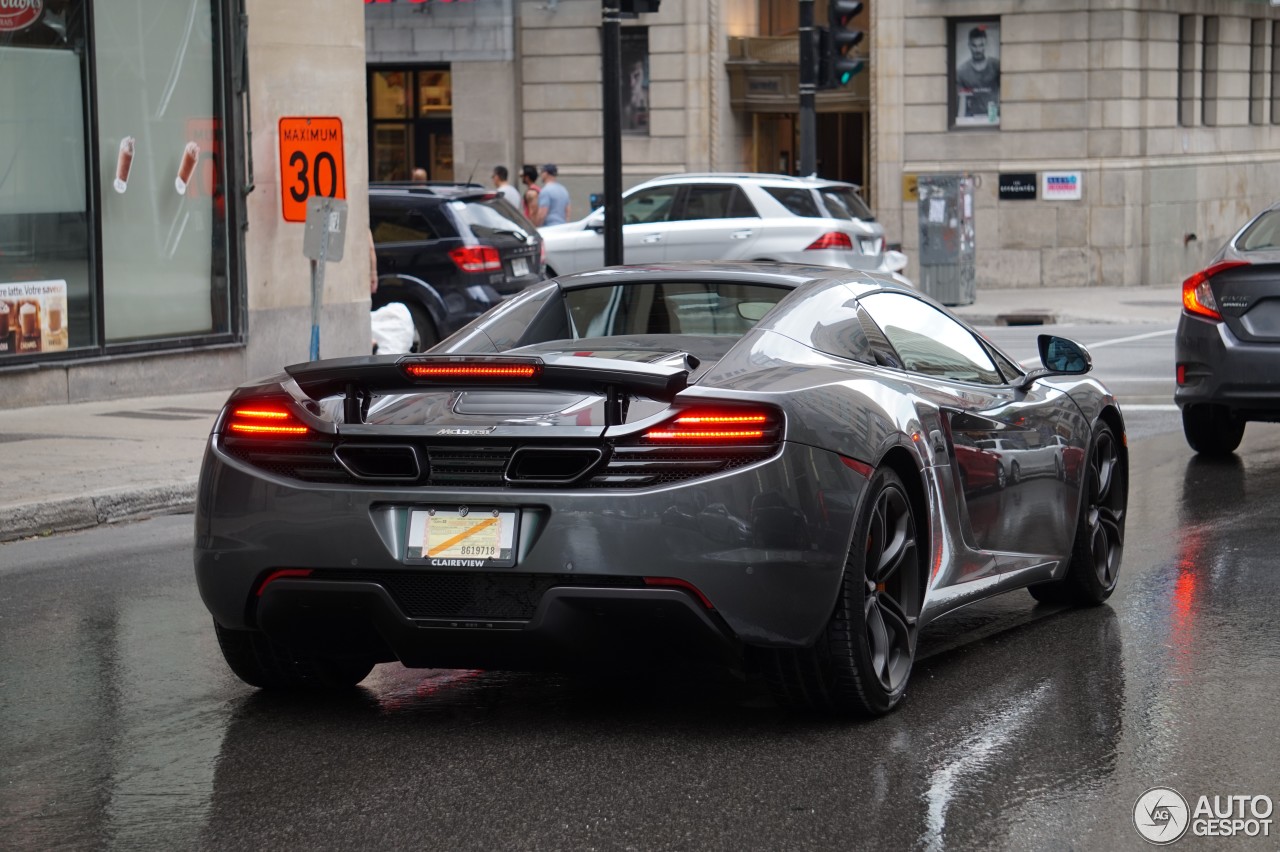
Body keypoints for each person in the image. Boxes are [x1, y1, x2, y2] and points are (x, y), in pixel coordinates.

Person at [957, 26, 1000, 121]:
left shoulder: (996, 66)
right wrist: (960, 124)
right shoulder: (962, 71)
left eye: (981, 45)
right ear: (969, 45)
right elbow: (962, 100)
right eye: (974, 46)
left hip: (993, 119)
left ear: (986, 44)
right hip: (972, 119)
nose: (978, 50)